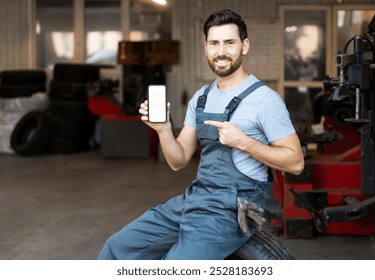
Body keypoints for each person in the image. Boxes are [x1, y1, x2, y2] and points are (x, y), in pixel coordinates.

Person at [98, 8, 304, 260]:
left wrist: (244, 142)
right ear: (205, 48)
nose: (221, 51)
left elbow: (295, 162)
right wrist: (163, 129)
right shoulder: (201, 99)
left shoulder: (265, 100)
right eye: (214, 43)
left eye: (230, 42)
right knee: (116, 248)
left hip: (231, 209)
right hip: (195, 199)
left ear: (245, 45)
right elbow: (179, 160)